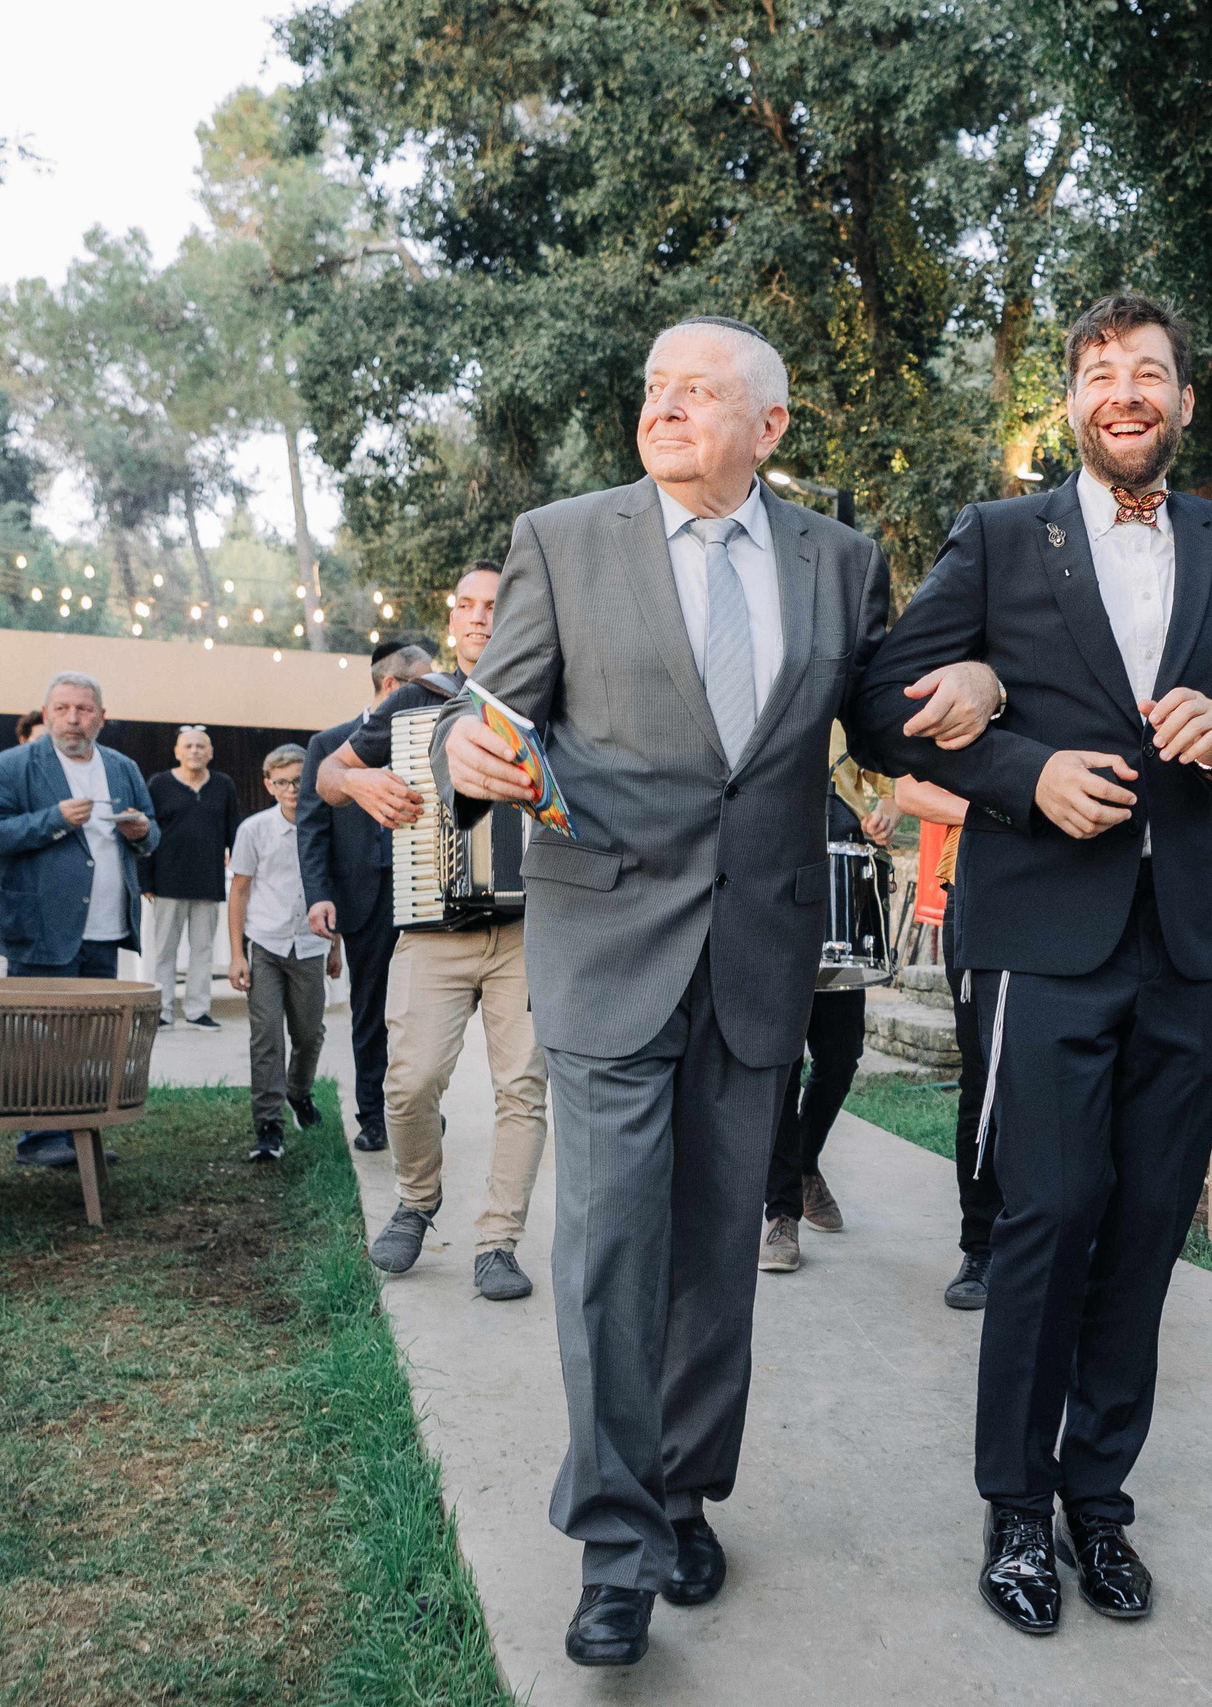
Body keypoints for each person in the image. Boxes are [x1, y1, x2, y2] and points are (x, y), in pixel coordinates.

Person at [434, 315, 997, 1670]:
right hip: (610, 942)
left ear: (771, 429)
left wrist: (969, 679)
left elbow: (874, 719)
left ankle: (686, 1493)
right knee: (616, 1250)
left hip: (758, 958)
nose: (667, 406)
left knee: (712, 1260)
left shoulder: (840, 562)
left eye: (701, 391)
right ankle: (615, 1545)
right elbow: (490, 715)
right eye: (655, 388)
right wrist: (466, 752)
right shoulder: (562, 538)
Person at [857, 294, 1212, 1637]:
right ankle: (1013, 1508)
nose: (1127, 391)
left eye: (1151, 372)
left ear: (1183, 401)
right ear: (1070, 404)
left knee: (1147, 1231)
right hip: (1042, 939)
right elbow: (885, 701)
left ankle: (1098, 1498)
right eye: (1102, 373)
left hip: (1184, 944)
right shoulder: (1003, 538)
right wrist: (1021, 769)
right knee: (1047, 1223)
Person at [317, 567, 551, 1304]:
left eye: (495, 605)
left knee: (522, 1087)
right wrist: (357, 785)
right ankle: (418, 1200)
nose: (481, 618)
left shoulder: (554, 696)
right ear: (451, 621)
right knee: (409, 1081)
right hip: (433, 924)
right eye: (468, 607)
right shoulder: (417, 701)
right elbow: (327, 769)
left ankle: (497, 1241)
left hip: (527, 930)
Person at [0, 671, 159, 1168]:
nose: (73, 719)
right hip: (38, 927)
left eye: (83, 709)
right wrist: (53, 819)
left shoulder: (121, 768)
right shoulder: (10, 766)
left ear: (101, 716)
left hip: (106, 925)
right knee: (40, 1037)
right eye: (62, 709)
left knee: (89, 1039)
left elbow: (151, 833)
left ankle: (78, 1133)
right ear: (46, 713)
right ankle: (39, 1139)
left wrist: (141, 831)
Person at [754, 755, 891, 1274]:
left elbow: (895, 784)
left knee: (842, 1054)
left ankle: (805, 1163)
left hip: (842, 897)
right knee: (784, 1060)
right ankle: (782, 1212)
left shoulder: (857, 708)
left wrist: (889, 812)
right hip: (778, 874)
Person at [301, 642, 432, 1154]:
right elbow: (312, 828)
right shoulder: (329, 745)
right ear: (394, 688)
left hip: (423, 892)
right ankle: (374, 1117)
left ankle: (418, 1115)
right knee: (371, 1011)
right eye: (426, 686)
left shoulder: (428, 737)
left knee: (422, 1013)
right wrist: (319, 896)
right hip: (363, 897)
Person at [888, 772, 1006, 1308]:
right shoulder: (971, 696)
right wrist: (1004, 813)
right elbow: (907, 791)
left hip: (1062, 895)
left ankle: (1043, 1248)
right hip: (978, 892)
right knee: (981, 1083)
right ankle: (980, 1248)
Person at [229, 746, 340, 1161]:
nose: (292, 789)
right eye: (282, 782)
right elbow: (239, 890)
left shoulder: (325, 826)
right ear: (268, 786)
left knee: (310, 1034)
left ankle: (298, 1091)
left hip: (311, 945)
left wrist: (335, 946)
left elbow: (333, 889)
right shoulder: (254, 830)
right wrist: (237, 954)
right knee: (266, 1036)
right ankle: (269, 1124)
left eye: (299, 780)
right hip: (266, 944)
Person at [144, 724, 237, 1030]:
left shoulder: (223, 784)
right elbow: (145, 832)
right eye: (189, 746)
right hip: (167, 881)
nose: (195, 751)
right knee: (164, 952)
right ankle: (162, 1011)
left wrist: (239, 869)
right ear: (177, 752)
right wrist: (145, 879)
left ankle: (198, 1010)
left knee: (203, 950)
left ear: (210, 752)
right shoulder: (159, 784)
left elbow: (234, 831)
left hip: (208, 881)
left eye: (201, 746)